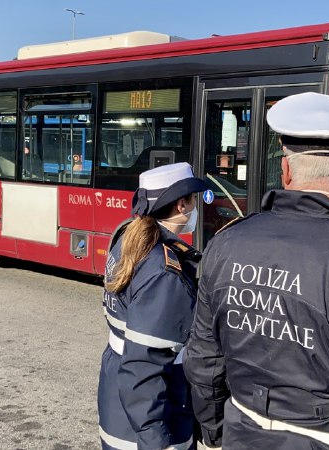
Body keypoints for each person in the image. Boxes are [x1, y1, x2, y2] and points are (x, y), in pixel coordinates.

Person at [183, 92, 329, 450]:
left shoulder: (225, 243)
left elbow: (203, 355)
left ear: (286, 168)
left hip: (240, 430)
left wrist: (215, 428)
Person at [98, 162, 208, 450]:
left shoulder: (127, 240)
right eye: (194, 201)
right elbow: (144, 367)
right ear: (182, 205)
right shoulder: (164, 272)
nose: (196, 208)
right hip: (153, 417)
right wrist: (156, 442)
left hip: (119, 403)